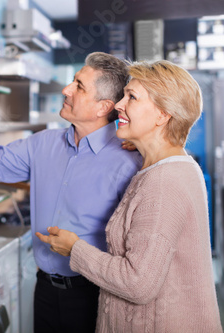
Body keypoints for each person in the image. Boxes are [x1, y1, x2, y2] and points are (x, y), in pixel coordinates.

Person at [0, 53, 142, 332]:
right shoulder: (43, 144)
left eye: (79, 86)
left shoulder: (128, 161)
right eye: (72, 81)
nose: (66, 90)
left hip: (96, 296)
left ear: (103, 107)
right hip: (45, 289)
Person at [36, 60, 223, 332]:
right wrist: (139, 142)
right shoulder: (169, 166)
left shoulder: (163, 182)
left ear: (162, 115)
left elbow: (137, 284)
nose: (118, 105)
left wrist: (74, 248)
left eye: (131, 97)